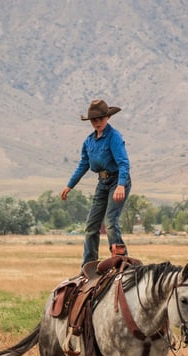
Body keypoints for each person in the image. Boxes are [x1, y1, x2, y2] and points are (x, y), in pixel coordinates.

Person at [61, 99, 131, 269]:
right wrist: (69, 186)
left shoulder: (114, 137)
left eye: (100, 118)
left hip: (117, 181)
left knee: (110, 222)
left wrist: (121, 185)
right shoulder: (89, 142)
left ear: (107, 118)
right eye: (94, 120)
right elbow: (83, 164)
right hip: (102, 182)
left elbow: (123, 163)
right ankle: (89, 265)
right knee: (91, 226)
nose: (97, 122)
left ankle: (121, 261)